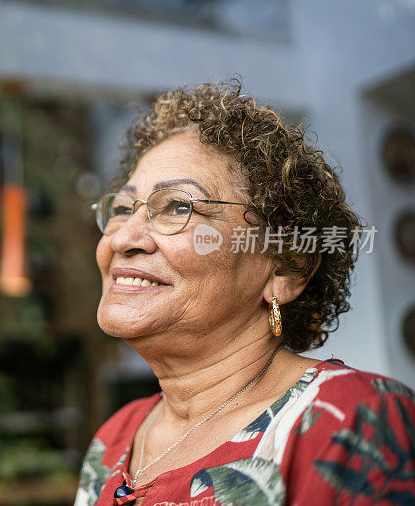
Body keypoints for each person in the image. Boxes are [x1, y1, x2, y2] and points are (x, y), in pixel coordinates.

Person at [74, 81, 415, 506]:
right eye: (124, 208)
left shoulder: (353, 419)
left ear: (286, 269)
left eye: (178, 207)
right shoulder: (115, 437)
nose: (123, 237)